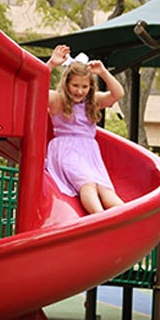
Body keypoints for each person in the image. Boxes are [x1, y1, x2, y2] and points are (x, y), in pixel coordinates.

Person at [45, 44, 125, 215]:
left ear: (90, 87)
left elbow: (118, 94)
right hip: (66, 150)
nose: (79, 91)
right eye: (75, 85)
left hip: (89, 152)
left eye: (84, 87)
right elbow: (35, 87)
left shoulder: (92, 101)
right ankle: (99, 216)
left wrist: (103, 72)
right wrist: (51, 64)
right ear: (66, 84)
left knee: (104, 189)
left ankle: (127, 214)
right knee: (87, 184)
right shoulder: (58, 100)